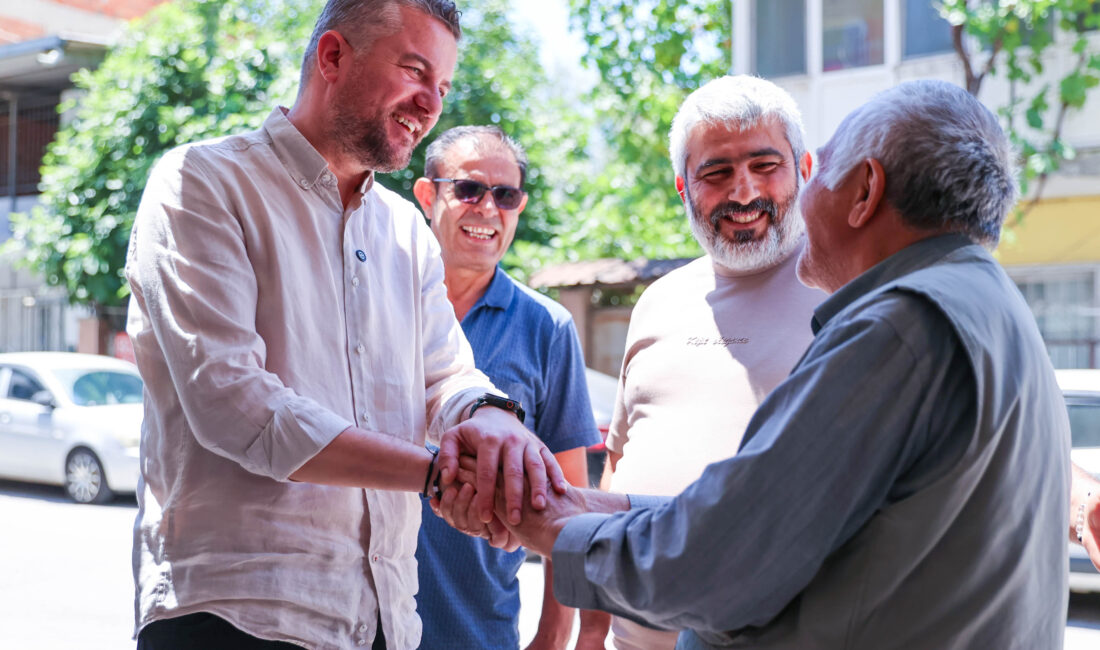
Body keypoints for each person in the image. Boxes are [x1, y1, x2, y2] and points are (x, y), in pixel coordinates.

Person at [490, 79, 1073, 649]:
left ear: (864, 190)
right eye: (716, 172)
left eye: (810, 172)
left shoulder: (899, 328)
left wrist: (553, 530)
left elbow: (726, 557)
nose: (748, 193)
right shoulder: (983, 302)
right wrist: (584, 505)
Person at [125, 2, 563, 649]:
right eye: (414, 72)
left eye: (441, 87)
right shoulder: (202, 184)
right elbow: (236, 406)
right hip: (234, 616)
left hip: (385, 619)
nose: (429, 104)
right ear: (332, 57)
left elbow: (446, 375)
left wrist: (493, 418)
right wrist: (440, 475)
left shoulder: (407, 232)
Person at [586, 75, 825, 650]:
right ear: (682, 186)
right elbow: (620, 464)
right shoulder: (657, 302)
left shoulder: (847, 296)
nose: (743, 193)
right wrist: (592, 632)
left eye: (765, 165)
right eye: (716, 173)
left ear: (806, 168)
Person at [410, 125, 601, 649]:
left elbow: (570, 504)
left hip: (477, 630)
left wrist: (552, 637)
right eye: (468, 189)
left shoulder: (547, 327)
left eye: (506, 195)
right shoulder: (375, 305)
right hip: (353, 625)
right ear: (428, 196)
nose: (487, 208)